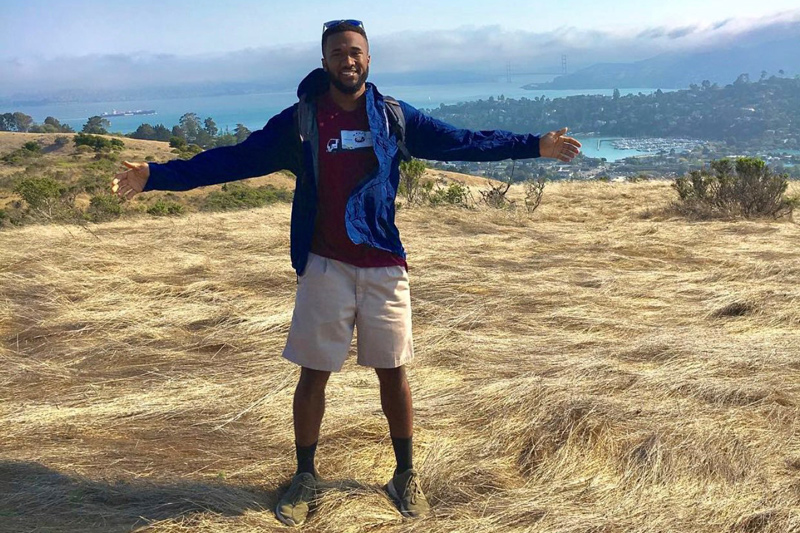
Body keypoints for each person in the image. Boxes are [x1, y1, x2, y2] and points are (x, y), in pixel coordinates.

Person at [111, 19, 581, 527]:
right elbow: (234, 161)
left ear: (369, 59)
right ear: (325, 62)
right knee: (313, 375)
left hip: (383, 263)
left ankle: (404, 473)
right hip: (326, 264)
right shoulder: (302, 122)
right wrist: (157, 175)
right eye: (338, 53)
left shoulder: (394, 117)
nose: (348, 60)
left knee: (393, 372)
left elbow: (462, 141)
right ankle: (305, 476)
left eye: (355, 52)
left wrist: (536, 145)